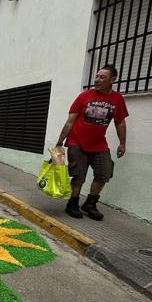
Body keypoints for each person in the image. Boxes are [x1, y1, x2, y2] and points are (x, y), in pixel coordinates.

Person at [56, 64, 128, 221]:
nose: (97, 79)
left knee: (104, 173)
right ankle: (73, 204)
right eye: (97, 76)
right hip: (77, 142)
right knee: (79, 176)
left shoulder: (117, 99)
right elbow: (70, 121)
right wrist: (60, 141)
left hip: (99, 144)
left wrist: (122, 143)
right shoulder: (84, 96)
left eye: (102, 77)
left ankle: (90, 204)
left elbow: (120, 122)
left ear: (113, 79)